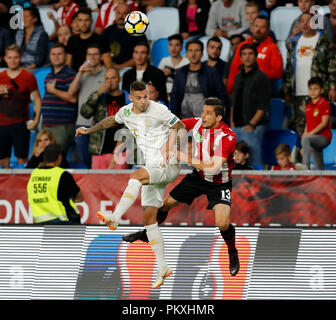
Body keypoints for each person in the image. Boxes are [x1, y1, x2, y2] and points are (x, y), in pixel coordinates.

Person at [76, 80, 186, 289]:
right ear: (131, 98)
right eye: (139, 98)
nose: (144, 101)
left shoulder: (159, 110)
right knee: (149, 219)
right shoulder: (126, 112)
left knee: (135, 176)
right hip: (152, 166)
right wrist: (89, 130)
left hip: (167, 164)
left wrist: (171, 148)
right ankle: (163, 267)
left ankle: (115, 217)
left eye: (146, 96)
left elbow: (180, 127)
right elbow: (111, 121)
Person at [122, 97, 240, 277]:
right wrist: (170, 144)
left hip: (219, 183)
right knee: (163, 206)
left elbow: (214, 167)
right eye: (203, 111)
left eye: (208, 113)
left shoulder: (228, 137)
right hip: (198, 178)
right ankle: (147, 233)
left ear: (219, 118)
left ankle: (232, 251)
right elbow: (175, 125)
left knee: (222, 223)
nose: (203, 116)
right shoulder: (199, 123)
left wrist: (183, 157)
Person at [283, 12, 336, 136]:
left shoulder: (324, 41)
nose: (305, 24)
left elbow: (332, 65)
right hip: (298, 92)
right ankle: (303, 154)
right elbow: (289, 68)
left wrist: (333, 87)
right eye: (302, 21)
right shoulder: (293, 42)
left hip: (319, 92)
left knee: (319, 128)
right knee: (301, 128)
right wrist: (287, 90)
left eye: (309, 21)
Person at [0, 45, 41, 169]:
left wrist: (36, 120)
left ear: (20, 58)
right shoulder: (0, 77)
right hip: (1, 124)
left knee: (22, 159)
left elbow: (38, 100)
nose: (13, 60)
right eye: (10, 57)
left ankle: (22, 185)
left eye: (16, 57)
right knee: (3, 159)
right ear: (5, 59)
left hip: (20, 124)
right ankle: (7, 186)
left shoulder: (28, 77)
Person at [230, 43, 271, 166]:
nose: (247, 57)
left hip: (253, 127)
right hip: (236, 126)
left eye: (250, 54)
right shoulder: (238, 77)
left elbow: (263, 106)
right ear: (240, 57)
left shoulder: (262, 77)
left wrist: (251, 125)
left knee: (254, 162)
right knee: (235, 163)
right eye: (244, 54)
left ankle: (259, 185)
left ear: (256, 56)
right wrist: (232, 123)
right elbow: (234, 102)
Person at [79, 68, 128, 169]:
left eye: (113, 78)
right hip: (99, 150)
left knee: (120, 183)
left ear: (119, 79)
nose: (110, 81)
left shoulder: (127, 98)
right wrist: (97, 93)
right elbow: (85, 113)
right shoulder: (99, 98)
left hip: (120, 151)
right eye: (107, 78)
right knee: (97, 183)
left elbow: (130, 126)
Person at [68, 44, 107, 168]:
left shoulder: (107, 73)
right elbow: (71, 92)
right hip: (82, 122)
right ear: (86, 56)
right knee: (84, 159)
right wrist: (80, 72)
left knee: (98, 160)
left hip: (100, 124)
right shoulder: (82, 73)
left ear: (101, 57)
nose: (92, 57)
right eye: (90, 54)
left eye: (95, 54)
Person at [170, 39, 228, 121]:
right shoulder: (180, 72)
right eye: (190, 50)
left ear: (202, 53)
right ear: (187, 54)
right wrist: (174, 120)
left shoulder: (211, 72)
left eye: (197, 50)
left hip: (206, 121)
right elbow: (175, 98)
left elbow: (222, 96)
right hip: (184, 121)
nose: (193, 54)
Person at [227, 14, 283, 95]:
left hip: (262, 92)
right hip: (241, 92)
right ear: (251, 28)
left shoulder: (272, 48)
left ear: (268, 30)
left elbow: (277, 72)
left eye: (262, 27)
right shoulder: (242, 46)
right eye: (256, 26)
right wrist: (230, 91)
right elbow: (234, 71)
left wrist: (254, 73)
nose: (258, 29)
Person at [27, 143, 83, 224]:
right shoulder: (62, 174)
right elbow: (80, 197)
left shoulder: (34, 174)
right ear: (59, 157)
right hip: (65, 221)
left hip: (41, 222)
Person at [41, 42, 78, 155]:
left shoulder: (70, 74)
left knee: (56, 157)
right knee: (46, 158)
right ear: (49, 56)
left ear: (65, 56)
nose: (56, 57)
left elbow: (73, 99)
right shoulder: (49, 75)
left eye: (59, 54)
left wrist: (53, 90)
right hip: (48, 125)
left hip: (62, 125)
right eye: (53, 54)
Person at [102, 3, 148, 71]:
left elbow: (141, 56)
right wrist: (110, 68)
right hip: (108, 69)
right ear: (115, 14)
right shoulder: (108, 31)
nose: (121, 16)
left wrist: (119, 67)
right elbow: (102, 51)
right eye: (118, 13)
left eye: (124, 13)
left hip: (130, 70)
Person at [66, 7, 112, 72]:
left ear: (91, 21)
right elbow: (68, 65)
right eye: (80, 20)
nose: (83, 24)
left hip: (95, 76)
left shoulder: (101, 39)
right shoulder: (72, 40)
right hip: (76, 76)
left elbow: (108, 66)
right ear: (77, 22)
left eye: (86, 20)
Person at [302, 77, 332, 170]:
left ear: (322, 90)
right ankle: (322, 181)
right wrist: (303, 142)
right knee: (319, 167)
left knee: (307, 140)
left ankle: (304, 168)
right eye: (310, 89)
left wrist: (308, 136)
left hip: (323, 137)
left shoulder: (324, 103)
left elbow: (324, 123)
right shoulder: (308, 107)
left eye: (316, 89)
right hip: (313, 139)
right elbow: (307, 125)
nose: (312, 92)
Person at [15, 5, 49, 70]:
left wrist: (26, 69)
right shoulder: (19, 33)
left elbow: (41, 58)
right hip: (19, 67)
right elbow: (15, 51)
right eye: (22, 16)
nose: (23, 19)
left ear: (35, 19)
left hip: (36, 68)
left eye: (27, 16)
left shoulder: (42, 34)